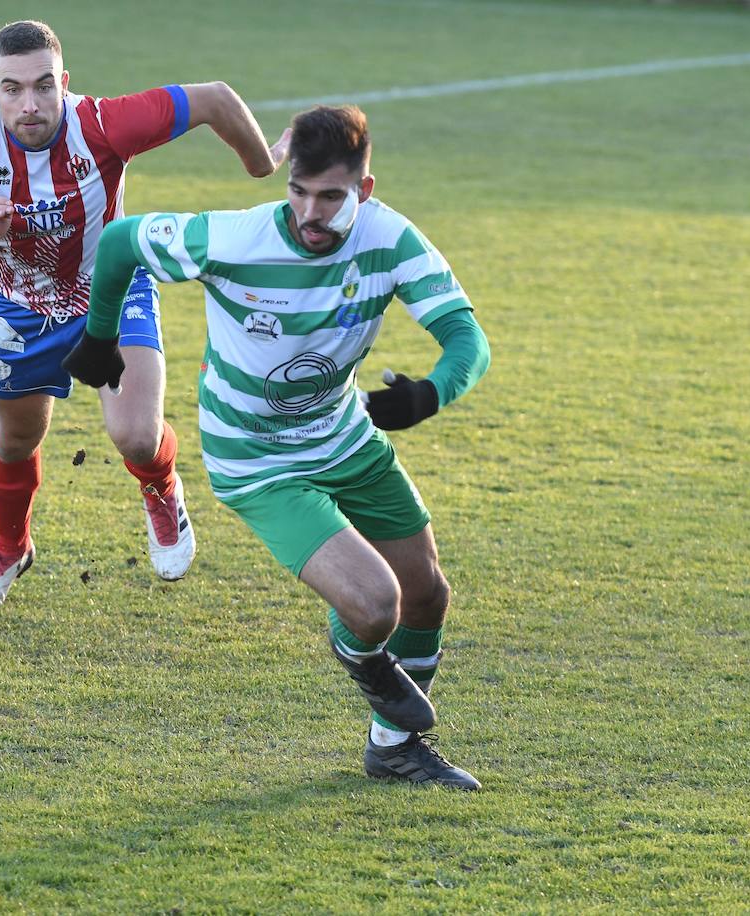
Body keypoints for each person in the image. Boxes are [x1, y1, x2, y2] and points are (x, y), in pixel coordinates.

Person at [63, 105, 491, 788]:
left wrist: (430, 394)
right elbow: (119, 243)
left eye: (331, 197)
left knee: (428, 593)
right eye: (298, 192)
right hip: (255, 458)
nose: (310, 213)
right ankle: (367, 661)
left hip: (345, 437)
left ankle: (393, 749)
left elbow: (469, 339)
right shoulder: (234, 238)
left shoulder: (389, 240)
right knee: (378, 604)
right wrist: (100, 335)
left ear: (365, 190)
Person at [0, 20, 285, 607]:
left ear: (64, 82)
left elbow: (214, 99)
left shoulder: (102, 124)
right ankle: (11, 546)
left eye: (44, 86)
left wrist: (263, 166)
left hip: (111, 288)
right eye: (13, 88)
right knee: (17, 437)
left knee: (135, 435)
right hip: (21, 307)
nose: (30, 104)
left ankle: (160, 486)